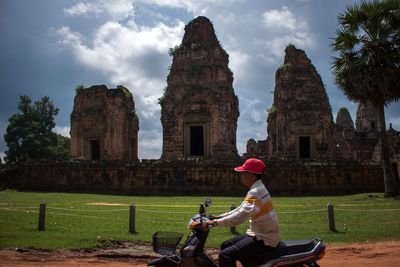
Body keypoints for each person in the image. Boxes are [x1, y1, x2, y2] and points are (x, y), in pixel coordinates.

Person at [206, 158, 281, 267]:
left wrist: (216, 223)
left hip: (264, 237)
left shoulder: (256, 192)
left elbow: (240, 216)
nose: (241, 176)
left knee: (225, 255)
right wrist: (218, 217)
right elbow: (240, 209)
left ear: (251, 175)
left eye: (243, 173)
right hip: (258, 233)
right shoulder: (257, 189)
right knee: (225, 245)